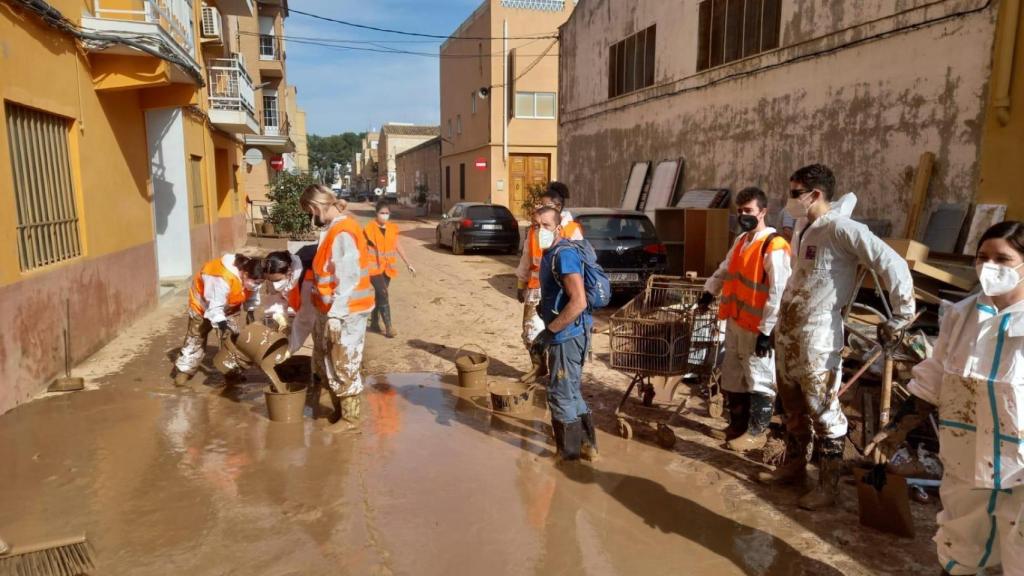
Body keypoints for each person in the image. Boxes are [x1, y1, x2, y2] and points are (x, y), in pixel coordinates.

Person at [866, 221, 1024, 576]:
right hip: (967, 457)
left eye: (1003, 258)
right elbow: (936, 372)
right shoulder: (961, 314)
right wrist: (898, 426)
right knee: (959, 545)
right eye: (982, 257)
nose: (989, 267)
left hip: (1021, 468)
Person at [757, 164, 915, 512]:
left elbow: (892, 263)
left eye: (796, 193)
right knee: (792, 404)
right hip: (789, 330)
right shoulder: (802, 227)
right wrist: (771, 330)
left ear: (815, 195)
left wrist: (902, 314)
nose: (790, 200)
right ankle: (794, 466)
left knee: (823, 407)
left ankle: (828, 486)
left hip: (818, 335)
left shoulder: (843, 229)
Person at [699, 187, 792, 452]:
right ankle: (736, 426)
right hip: (737, 321)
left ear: (763, 212)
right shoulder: (741, 240)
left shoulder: (774, 246)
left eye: (748, 211)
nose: (743, 215)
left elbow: (778, 291)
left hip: (758, 326)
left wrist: (767, 331)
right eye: (740, 211)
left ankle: (756, 432)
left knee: (760, 378)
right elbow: (725, 269)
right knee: (733, 375)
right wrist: (709, 292)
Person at [300, 185, 375, 433]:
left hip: (347, 311)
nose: (311, 217)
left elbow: (349, 276)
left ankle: (351, 420)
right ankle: (340, 410)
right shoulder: (334, 229)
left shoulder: (343, 231)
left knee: (345, 361)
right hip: (337, 309)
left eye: (309, 212)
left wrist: (336, 314)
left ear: (314, 207)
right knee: (333, 358)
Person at [531, 206, 597, 461]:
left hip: (567, 337)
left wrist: (549, 332)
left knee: (559, 394)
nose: (540, 231)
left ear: (558, 228)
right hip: (565, 333)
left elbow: (578, 301)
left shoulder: (564, 254)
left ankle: (568, 459)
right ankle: (588, 448)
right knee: (570, 392)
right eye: (536, 226)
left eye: (546, 226)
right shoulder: (550, 254)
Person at [515, 182, 584, 383]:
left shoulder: (571, 231)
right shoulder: (533, 230)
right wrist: (521, 284)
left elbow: (580, 267)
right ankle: (539, 367)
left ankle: (559, 375)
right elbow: (527, 257)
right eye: (539, 206)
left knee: (558, 334)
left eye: (545, 206)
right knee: (530, 333)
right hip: (535, 288)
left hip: (561, 292)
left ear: (558, 208)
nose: (540, 210)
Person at [172, 253, 264, 387]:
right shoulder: (220, 276)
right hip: (202, 306)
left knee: (231, 339)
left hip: (229, 307)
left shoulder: (254, 272)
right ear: (244, 273)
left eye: (260, 283)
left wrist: (250, 310)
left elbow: (252, 292)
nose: (257, 285)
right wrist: (221, 323)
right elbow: (214, 306)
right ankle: (184, 372)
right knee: (196, 338)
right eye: (255, 282)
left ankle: (232, 373)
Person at [364, 201, 415, 338]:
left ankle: (374, 322)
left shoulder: (392, 228)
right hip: (373, 268)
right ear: (376, 213)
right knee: (383, 293)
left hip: (387, 268)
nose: (385, 216)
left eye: (387, 213)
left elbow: (397, 245)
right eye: (382, 213)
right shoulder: (369, 228)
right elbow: (362, 248)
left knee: (380, 295)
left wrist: (408, 263)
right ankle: (389, 327)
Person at [261, 250, 316, 354]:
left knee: (322, 339)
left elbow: (304, 322)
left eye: (277, 281)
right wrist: (275, 318)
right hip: (308, 308)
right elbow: (274, 301)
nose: (274, 285)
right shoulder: (280, 269)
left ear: (289, 272)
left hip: (337, 306)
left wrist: (288, 351)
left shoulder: (307, 278)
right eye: (269, 280)